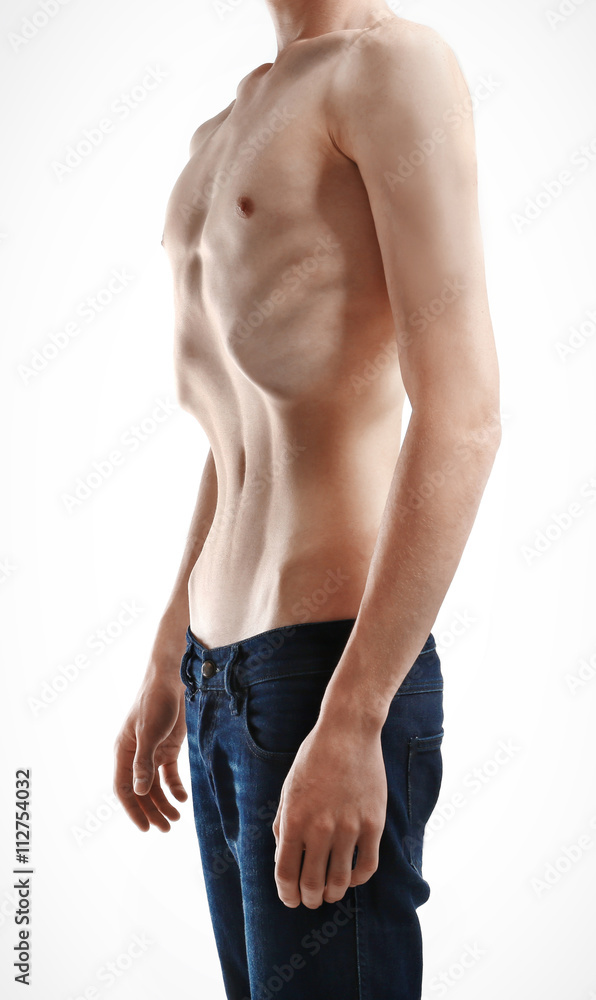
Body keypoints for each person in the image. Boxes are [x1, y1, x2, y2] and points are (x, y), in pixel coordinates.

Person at [113, 2, 501, 997]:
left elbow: (461, 414)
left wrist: (355, 713)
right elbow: (241, 429)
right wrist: (169, 652)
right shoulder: (225, 128)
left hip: (326, 672)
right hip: (217, 682)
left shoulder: (389, 70)